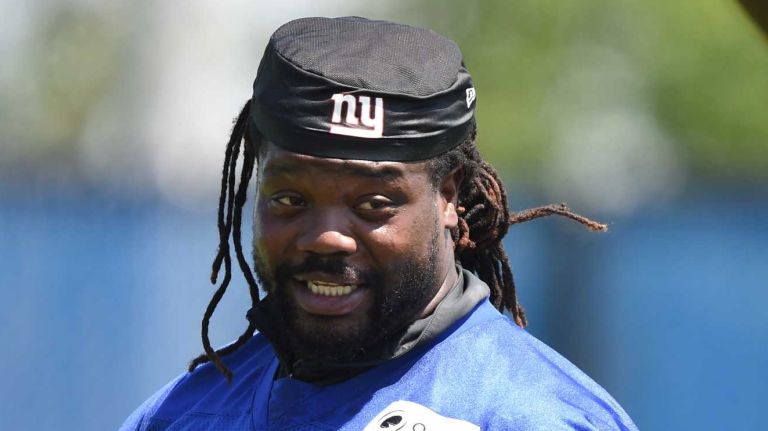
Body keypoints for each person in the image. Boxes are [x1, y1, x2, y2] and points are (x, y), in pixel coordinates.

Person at [120, 16, 638, 431]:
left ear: (448, 196)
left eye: (373, 204)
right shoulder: (184, 414)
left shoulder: (527, 416)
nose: (325, 237)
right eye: (290, 198)